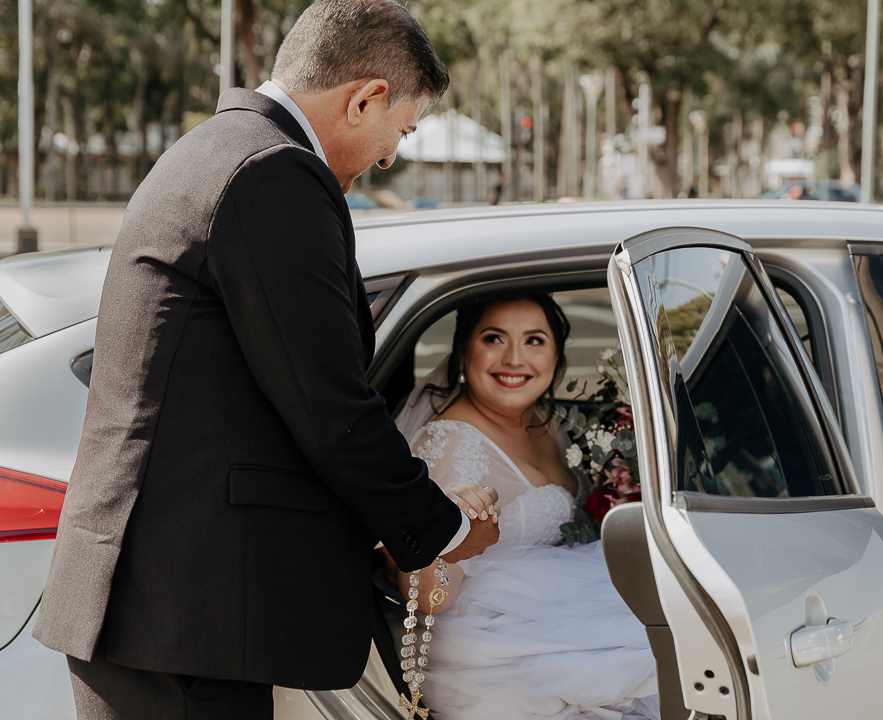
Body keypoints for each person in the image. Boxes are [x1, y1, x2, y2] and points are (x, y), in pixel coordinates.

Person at [32, 2, 500, 718]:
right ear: (365, 97)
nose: (390, 157)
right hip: (184, 614)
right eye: (399, 130)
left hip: (165, 607)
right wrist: (440, 527)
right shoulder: (274, 173)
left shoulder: (221, 148)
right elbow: (327, 404)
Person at [388, 295, 661, 720]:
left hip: (565, 594)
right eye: (494, 338)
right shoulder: (452, 447)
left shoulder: (547, 420)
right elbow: (430, 598)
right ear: (464, 351)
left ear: (556, 354)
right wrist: (443, 533)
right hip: (502, 633)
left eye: (533, 340)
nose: (514, 359)